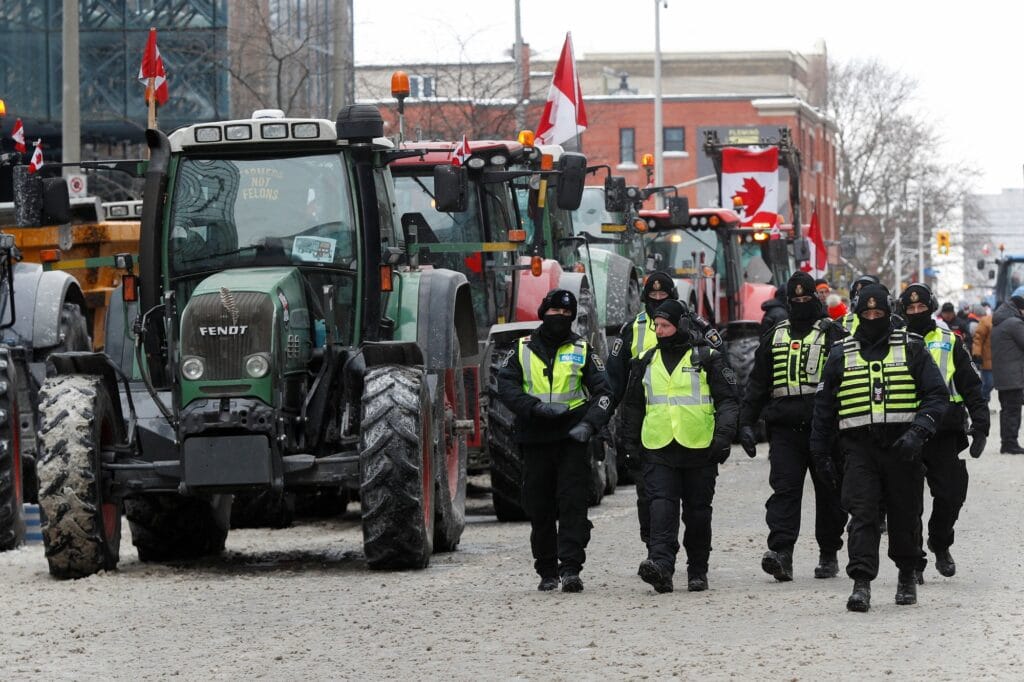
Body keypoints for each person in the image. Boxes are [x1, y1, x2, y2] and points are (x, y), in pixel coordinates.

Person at [810, 284, 949, 612]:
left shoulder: (912, 348)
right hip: (858, 448)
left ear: (889, 313)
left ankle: (906, 574)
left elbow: (936, 395)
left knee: (905, 513)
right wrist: (819, 453)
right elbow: (824, 408)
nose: (872, 318)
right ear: (857, 314)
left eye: (879, 313)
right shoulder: (841, 352)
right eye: (866, 313)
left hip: (903, 446)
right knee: (862, 513)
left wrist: (919, 432)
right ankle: (861, 582)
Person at [497, 288, 613, 592]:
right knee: (540, 507)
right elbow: (506, 387)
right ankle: (547, 571)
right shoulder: (520, 349)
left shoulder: (583, 349)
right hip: (535, 437)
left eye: (566, 314)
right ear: (542, 313)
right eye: (554, 313)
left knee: (573, 505)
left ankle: (571, 568)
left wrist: (589, 425)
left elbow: (604, 393)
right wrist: (533, 408)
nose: (559, 318)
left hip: (572, 438)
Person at [621, 299, 739, 594]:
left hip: (699, 447)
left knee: (698, 513)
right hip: (658, 448)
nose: (659, 331)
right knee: (660, 507)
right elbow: (633, 408)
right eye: (656, 326)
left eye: (665, 325)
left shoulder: (708, 358)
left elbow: (728, 401)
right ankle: (661, 565)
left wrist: (723, 438)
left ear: (682, 325)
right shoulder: (645, 361)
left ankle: (698, 569)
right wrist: (629, 446)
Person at [739, 272, 847, 582]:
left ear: (816, 299)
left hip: (824, 429)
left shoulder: (832, 334)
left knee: (829, 490)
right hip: (785, 429)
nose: (800, 304)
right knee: (784, 491)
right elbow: (757, 383)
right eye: (795, 300)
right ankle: (781, 553)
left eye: (805, 299)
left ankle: (829, 553)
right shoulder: (775, 335)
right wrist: (746, 422)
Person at [898, 284, 989, 580]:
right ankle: (914, 562)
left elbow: (971, 387)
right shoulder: (893, 344)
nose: (915, 312)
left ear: (931, 307)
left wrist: (981, 425)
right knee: (908, 502)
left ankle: (939, 542)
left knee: (951, 495)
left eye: (920, 308)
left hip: (945, 432)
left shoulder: (950, 341)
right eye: (910, 309)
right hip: (905, 431)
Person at [607, 270, 678, 549]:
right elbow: (613, 383)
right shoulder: (630, 330)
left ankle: (691, 559)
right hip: (645, 425)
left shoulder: (694, 327)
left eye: (664, 295)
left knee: (690, 500)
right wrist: (599, 421)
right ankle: (656, 550)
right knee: (649, 495)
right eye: (653, 295)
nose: (658, 300)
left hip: (688, 427)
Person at [990, 287, 1024, 454]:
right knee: (1013, 411)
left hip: (1004, 375)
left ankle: (1007, 442)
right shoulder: (1014, 323)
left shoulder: (1001, 321)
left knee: (1007, 410)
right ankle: (1010, 443)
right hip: (1013, 376)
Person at [972, 305, 994, 403]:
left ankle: (984, 402)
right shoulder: (986, 321)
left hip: (998, 359)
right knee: (988, 383)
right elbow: (978, 339)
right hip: (986, 359)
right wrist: (977, 354)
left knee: (991, 384)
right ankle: (981, 402)